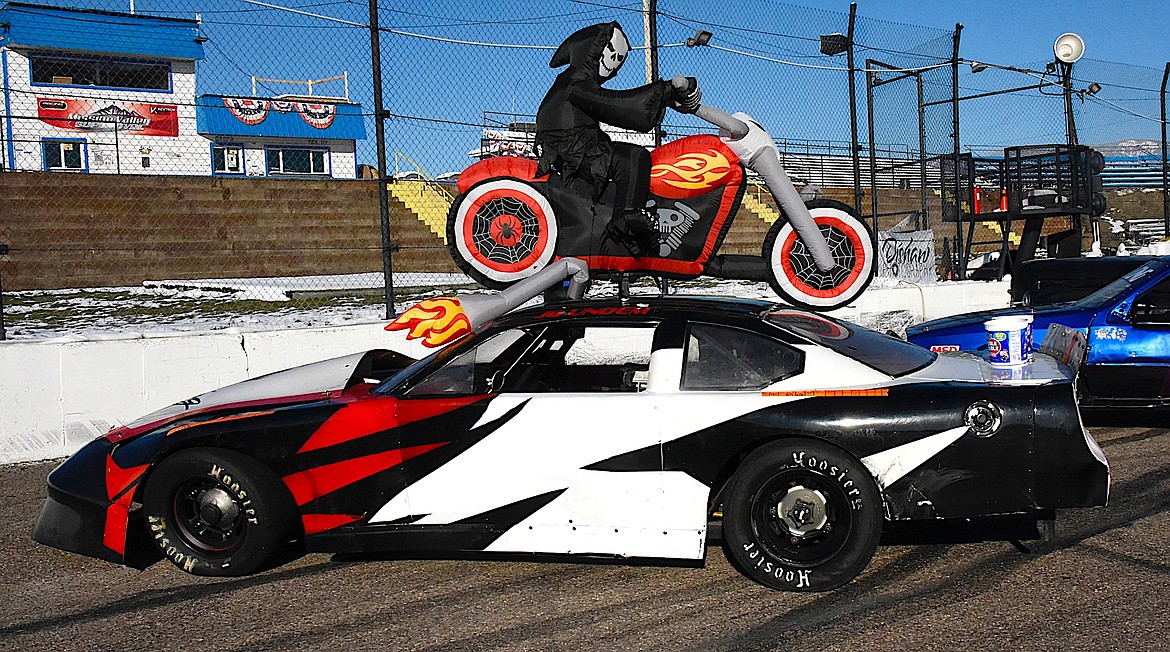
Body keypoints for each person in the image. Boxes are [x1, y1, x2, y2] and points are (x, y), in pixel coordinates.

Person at [535, 21, 701, 256]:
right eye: (612, 56)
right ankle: (627, 219)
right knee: (634, 157)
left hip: (576, 148)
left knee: (628, 156)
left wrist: (662, 95)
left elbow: (616, 105)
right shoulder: (576, 85)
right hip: (578, 150)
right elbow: (619, 106)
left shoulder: (570, 82)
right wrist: (663, 91)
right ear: (595, 51)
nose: (615, 70)